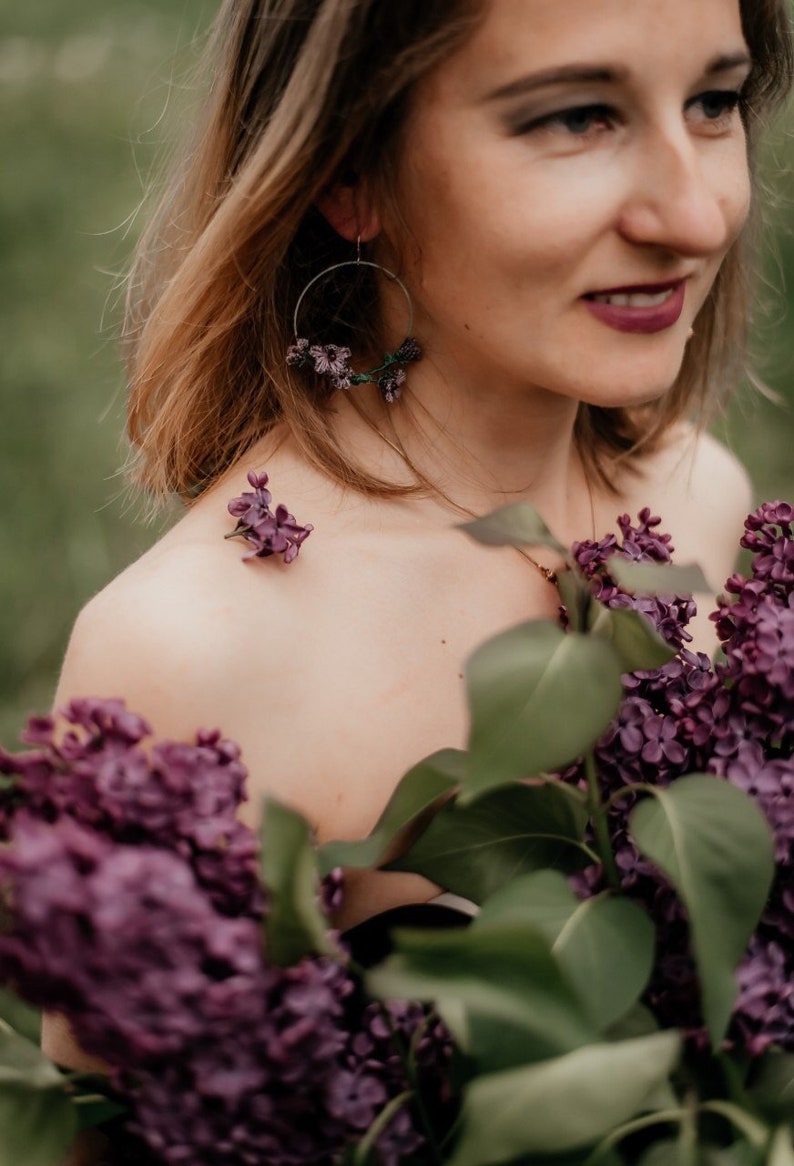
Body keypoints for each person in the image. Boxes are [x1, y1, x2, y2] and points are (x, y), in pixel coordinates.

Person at [43, 0, 793, 1160]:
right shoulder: (196, 654)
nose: (695, 213)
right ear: (351, 168)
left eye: (710, 101)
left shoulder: (700, 498)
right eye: (576, 116)